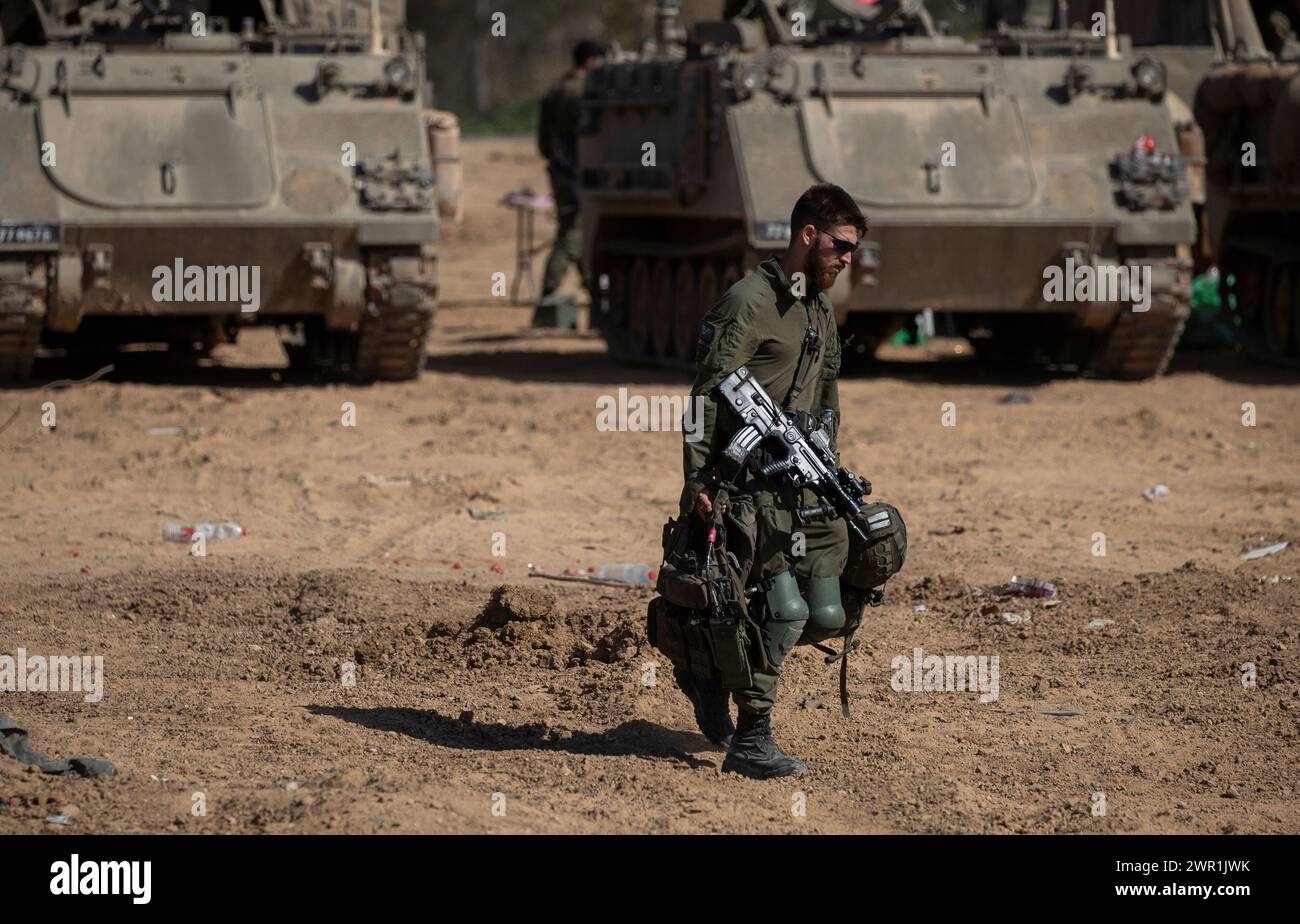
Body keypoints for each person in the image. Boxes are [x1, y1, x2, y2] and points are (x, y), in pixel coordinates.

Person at [677, 183, 868, 779]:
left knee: (829, 613)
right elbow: (704, 395)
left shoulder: (818, 307)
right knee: (781, 610)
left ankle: (708, 667)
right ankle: (751, 738)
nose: (847, 258)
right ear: (808, 235)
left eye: (854, 248)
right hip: (745, 487)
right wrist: (698, 480)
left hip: (802, 485)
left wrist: (828, 457)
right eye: (841, 245)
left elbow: (828, 388)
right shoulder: (749, 302)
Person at [536, 39, 606, 309]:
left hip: (561, 169)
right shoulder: (583, 94)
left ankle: (594, 289)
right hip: (576, 171)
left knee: (576, 228)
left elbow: (543, 142)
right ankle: (550, 290)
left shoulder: (555, 90)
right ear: (590, 61)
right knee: (573, 231)